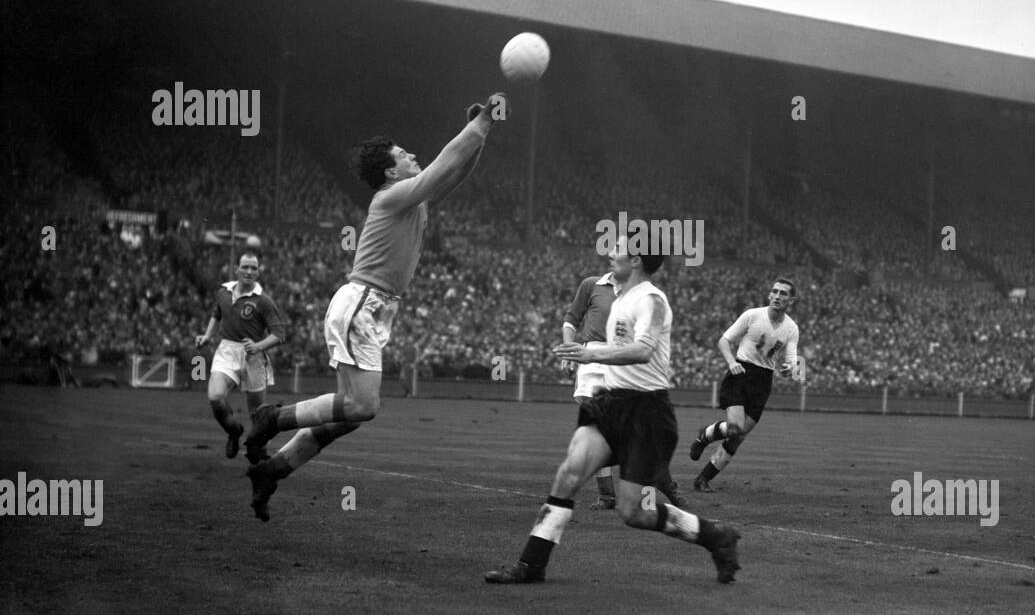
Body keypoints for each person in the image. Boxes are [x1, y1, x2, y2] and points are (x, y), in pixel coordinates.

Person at [241, 95, 503, 521]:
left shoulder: (412, 200)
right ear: (389, 172)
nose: (412, 155)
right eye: (403, 154)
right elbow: (442, 164)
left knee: (346, 417)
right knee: (363, 406)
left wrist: (479, 135)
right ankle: (273, 417)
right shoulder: (391, 197)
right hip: (361, 303)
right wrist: (484, 123)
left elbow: (454, 172)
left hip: (373, 308)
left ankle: (273, 469)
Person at [484, 237, 739, 585]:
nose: (609, 252)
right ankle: (532, 564)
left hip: (647, 412)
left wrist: (591, 354)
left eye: (616, 248)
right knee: (568, 474)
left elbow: (643, 350)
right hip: (612, 403)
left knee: (632, 512)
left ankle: (713, 536)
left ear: (635, 259)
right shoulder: (618, 296)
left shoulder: (651, 299)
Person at [562, 255, 687, 510]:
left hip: (619, 357)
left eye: (618, 249)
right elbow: (571, 320)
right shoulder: (592, 285)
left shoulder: (639, 296)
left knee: (620, 428)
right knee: (594, 423)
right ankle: (608, 495)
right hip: (591, 357)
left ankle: (658, 476)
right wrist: (569, 351)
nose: (611, 255)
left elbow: (644, 344)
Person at [688, 278, 800, 492]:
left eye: (783, 293)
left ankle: (703, 479)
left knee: (738, 437)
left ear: (791, 300)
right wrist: (731, 363)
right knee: (735, 427)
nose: (777, 296)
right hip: (740, 372)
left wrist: (789, 369)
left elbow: (792, 360)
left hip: (763, 381)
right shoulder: (752, 315)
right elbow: (724, 340)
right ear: (769, 295)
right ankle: (705, 435)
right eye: (774, 291)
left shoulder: (792, 328)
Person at [194, 251, 285, 461]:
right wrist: (207, 336)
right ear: (237, 269)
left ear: (258, 272)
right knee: (216, 398)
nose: (249, 271)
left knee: (257, 415)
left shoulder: (264, 301)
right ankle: (234, 431)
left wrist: (258, 346)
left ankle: (258, 455)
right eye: (245, 267)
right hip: (226, 351)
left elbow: (279, 334)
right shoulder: (224, 292)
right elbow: (217, 314)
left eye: (254, 268)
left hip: (253, 357)